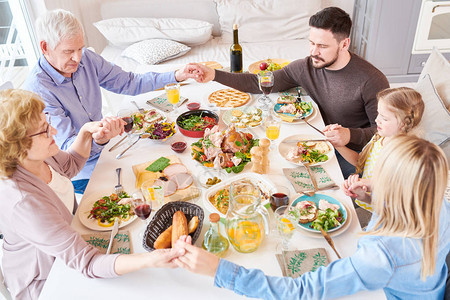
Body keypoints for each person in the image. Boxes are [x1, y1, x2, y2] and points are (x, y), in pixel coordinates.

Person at [174, 135, 449, 299]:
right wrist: (370, 200)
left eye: (380, 174)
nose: (370, 178)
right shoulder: (439, 203)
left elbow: (301, 292)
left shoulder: (380, 256)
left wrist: (219, 270)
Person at [0, 90, 184, 300]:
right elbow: (88, 263)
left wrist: (86, 134)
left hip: (73, 242)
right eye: (43, 131)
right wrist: (149, 259)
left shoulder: (36, 157)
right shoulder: (24, 202)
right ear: (16, 147)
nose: (52, 131)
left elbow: (69, 166)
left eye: (47, 122)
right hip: (49, 279)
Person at [195, 7, 389, 178]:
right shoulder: (307, 66)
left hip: (354, 156)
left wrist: (350, 135)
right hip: (318, 140)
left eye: (322, 46)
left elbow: (387, 134)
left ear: (344, 44)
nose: (314, 51)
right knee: (263, 165)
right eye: (311, 43)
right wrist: (214, 74)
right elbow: (259, 82)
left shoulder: (372, 80)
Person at [23, 9, 204, 193]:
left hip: (110, 150)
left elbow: (129, 82)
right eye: (69, 51)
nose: (77, 58)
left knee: (185, 169)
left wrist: (176, 75)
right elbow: (65, 153)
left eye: (80, 48)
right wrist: (98, 140)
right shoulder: (38, 91)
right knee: (151, 193)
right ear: (45, 47)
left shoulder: (86, 59)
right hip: (83, 173)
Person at [340, 87, 424, 212]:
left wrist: (365, 186)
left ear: (403, 124)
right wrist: (337, 145)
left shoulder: (403, 157)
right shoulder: (381, 137)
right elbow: (361, 161)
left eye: (384, 118)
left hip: (377, 214)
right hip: (363, 199)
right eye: (378, 113)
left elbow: (394, 199)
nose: (376, 120)